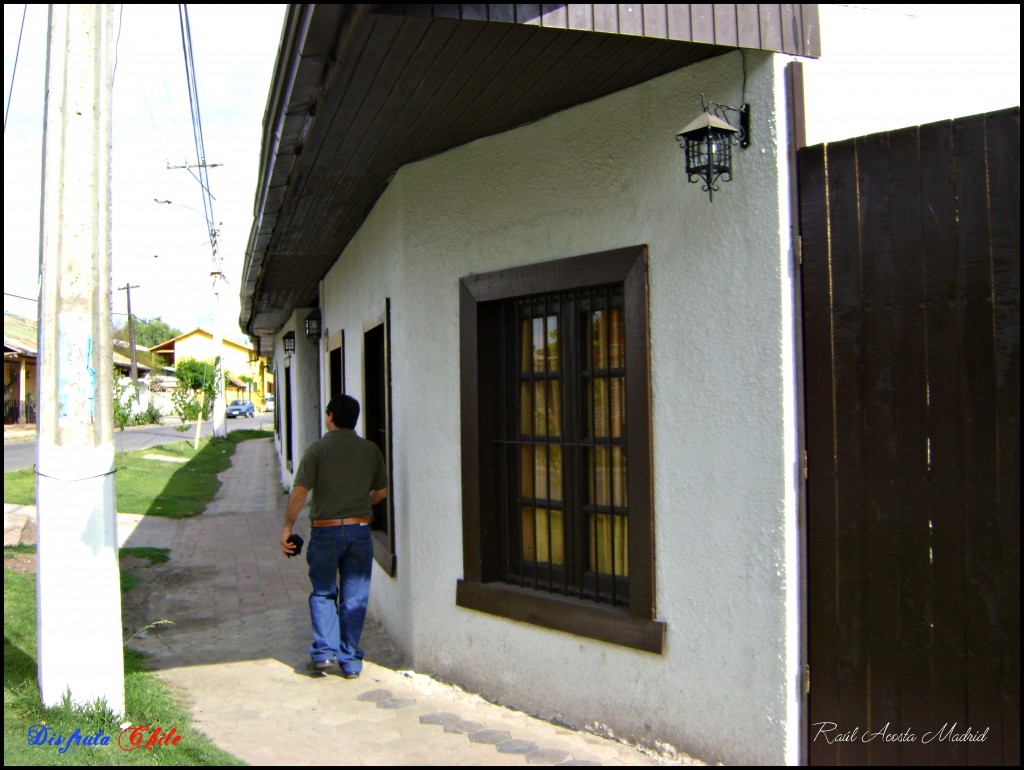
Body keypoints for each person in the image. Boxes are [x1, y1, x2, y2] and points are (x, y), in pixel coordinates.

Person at [280, 394, 388, 678]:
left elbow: (300, 493)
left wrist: (288, 527)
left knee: (324, 592)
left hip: (326, 531)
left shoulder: (316, 451)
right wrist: (362, 503)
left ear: (330, 416)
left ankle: (324, 654)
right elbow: (382, 492)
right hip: (359, 530)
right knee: (355, 597)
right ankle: (350, 661)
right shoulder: (370, 450)